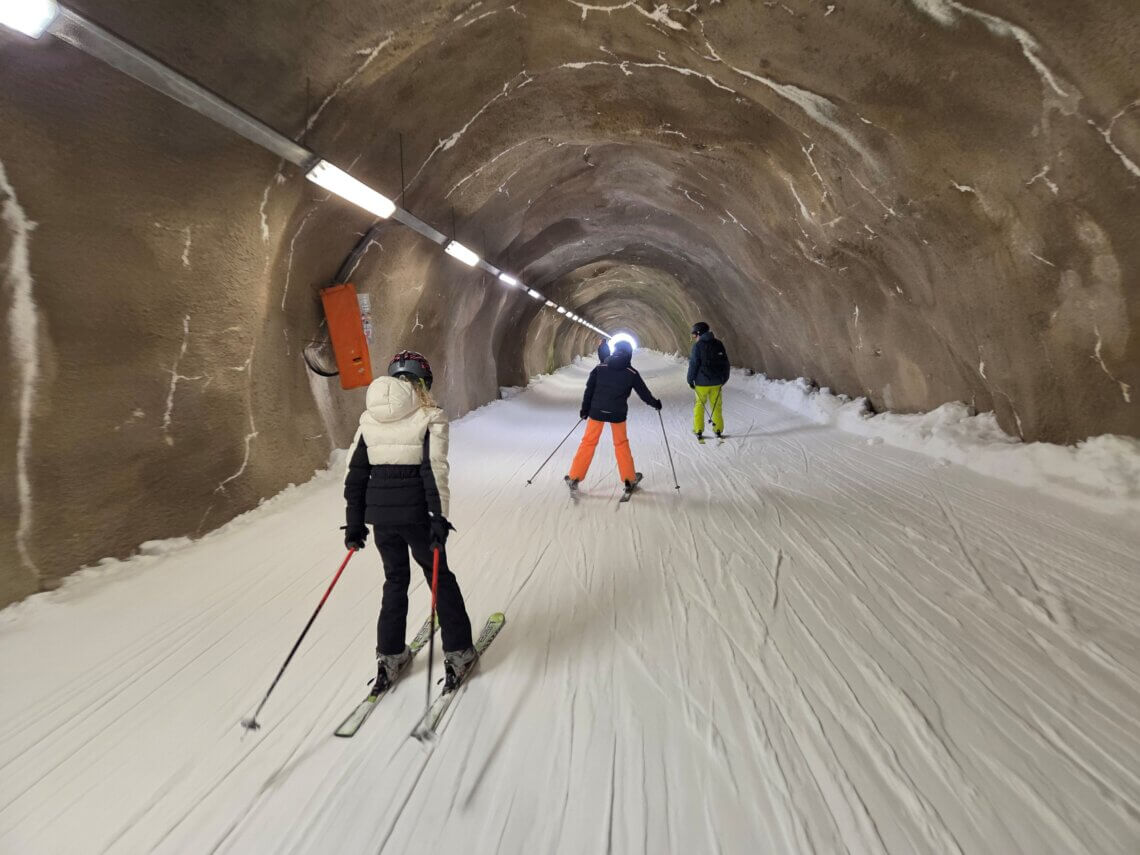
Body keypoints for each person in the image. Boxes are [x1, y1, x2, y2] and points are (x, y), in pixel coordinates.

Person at [343, 350, 476, 694]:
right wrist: (438, 519)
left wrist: (355, 524)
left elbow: (355, 476)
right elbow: (434, 471)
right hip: (417, 516)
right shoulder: (430, 416)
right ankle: (459, 652)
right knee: (440, 581)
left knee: (394, 580)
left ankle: (389, 656)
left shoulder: (368, 419)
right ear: (422, 385)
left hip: (382, 519)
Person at [565, 339, 662, 489]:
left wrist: (585, 410)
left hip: (596, 411)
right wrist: (655, 403)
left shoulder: (600, 367)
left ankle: (574, 477)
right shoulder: (632, 373)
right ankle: (629, 479)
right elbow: (644, 393)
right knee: (621, 444)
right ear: (629, 354)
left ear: (614, 351)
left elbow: (589, 390)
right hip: (618, 413)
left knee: (588, 442)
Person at [687, 321, 731, 439]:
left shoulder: (698, 346)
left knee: (699, 406)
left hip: (701, 384)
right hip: (717, 382)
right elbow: (726, 363)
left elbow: (694, 364)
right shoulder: (718, 344)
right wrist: (724, 379)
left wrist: (690, 380)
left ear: (699, 333)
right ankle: (718, 430)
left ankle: (698, 430)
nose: (694, 338)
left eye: (694, 335)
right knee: (716, 406)